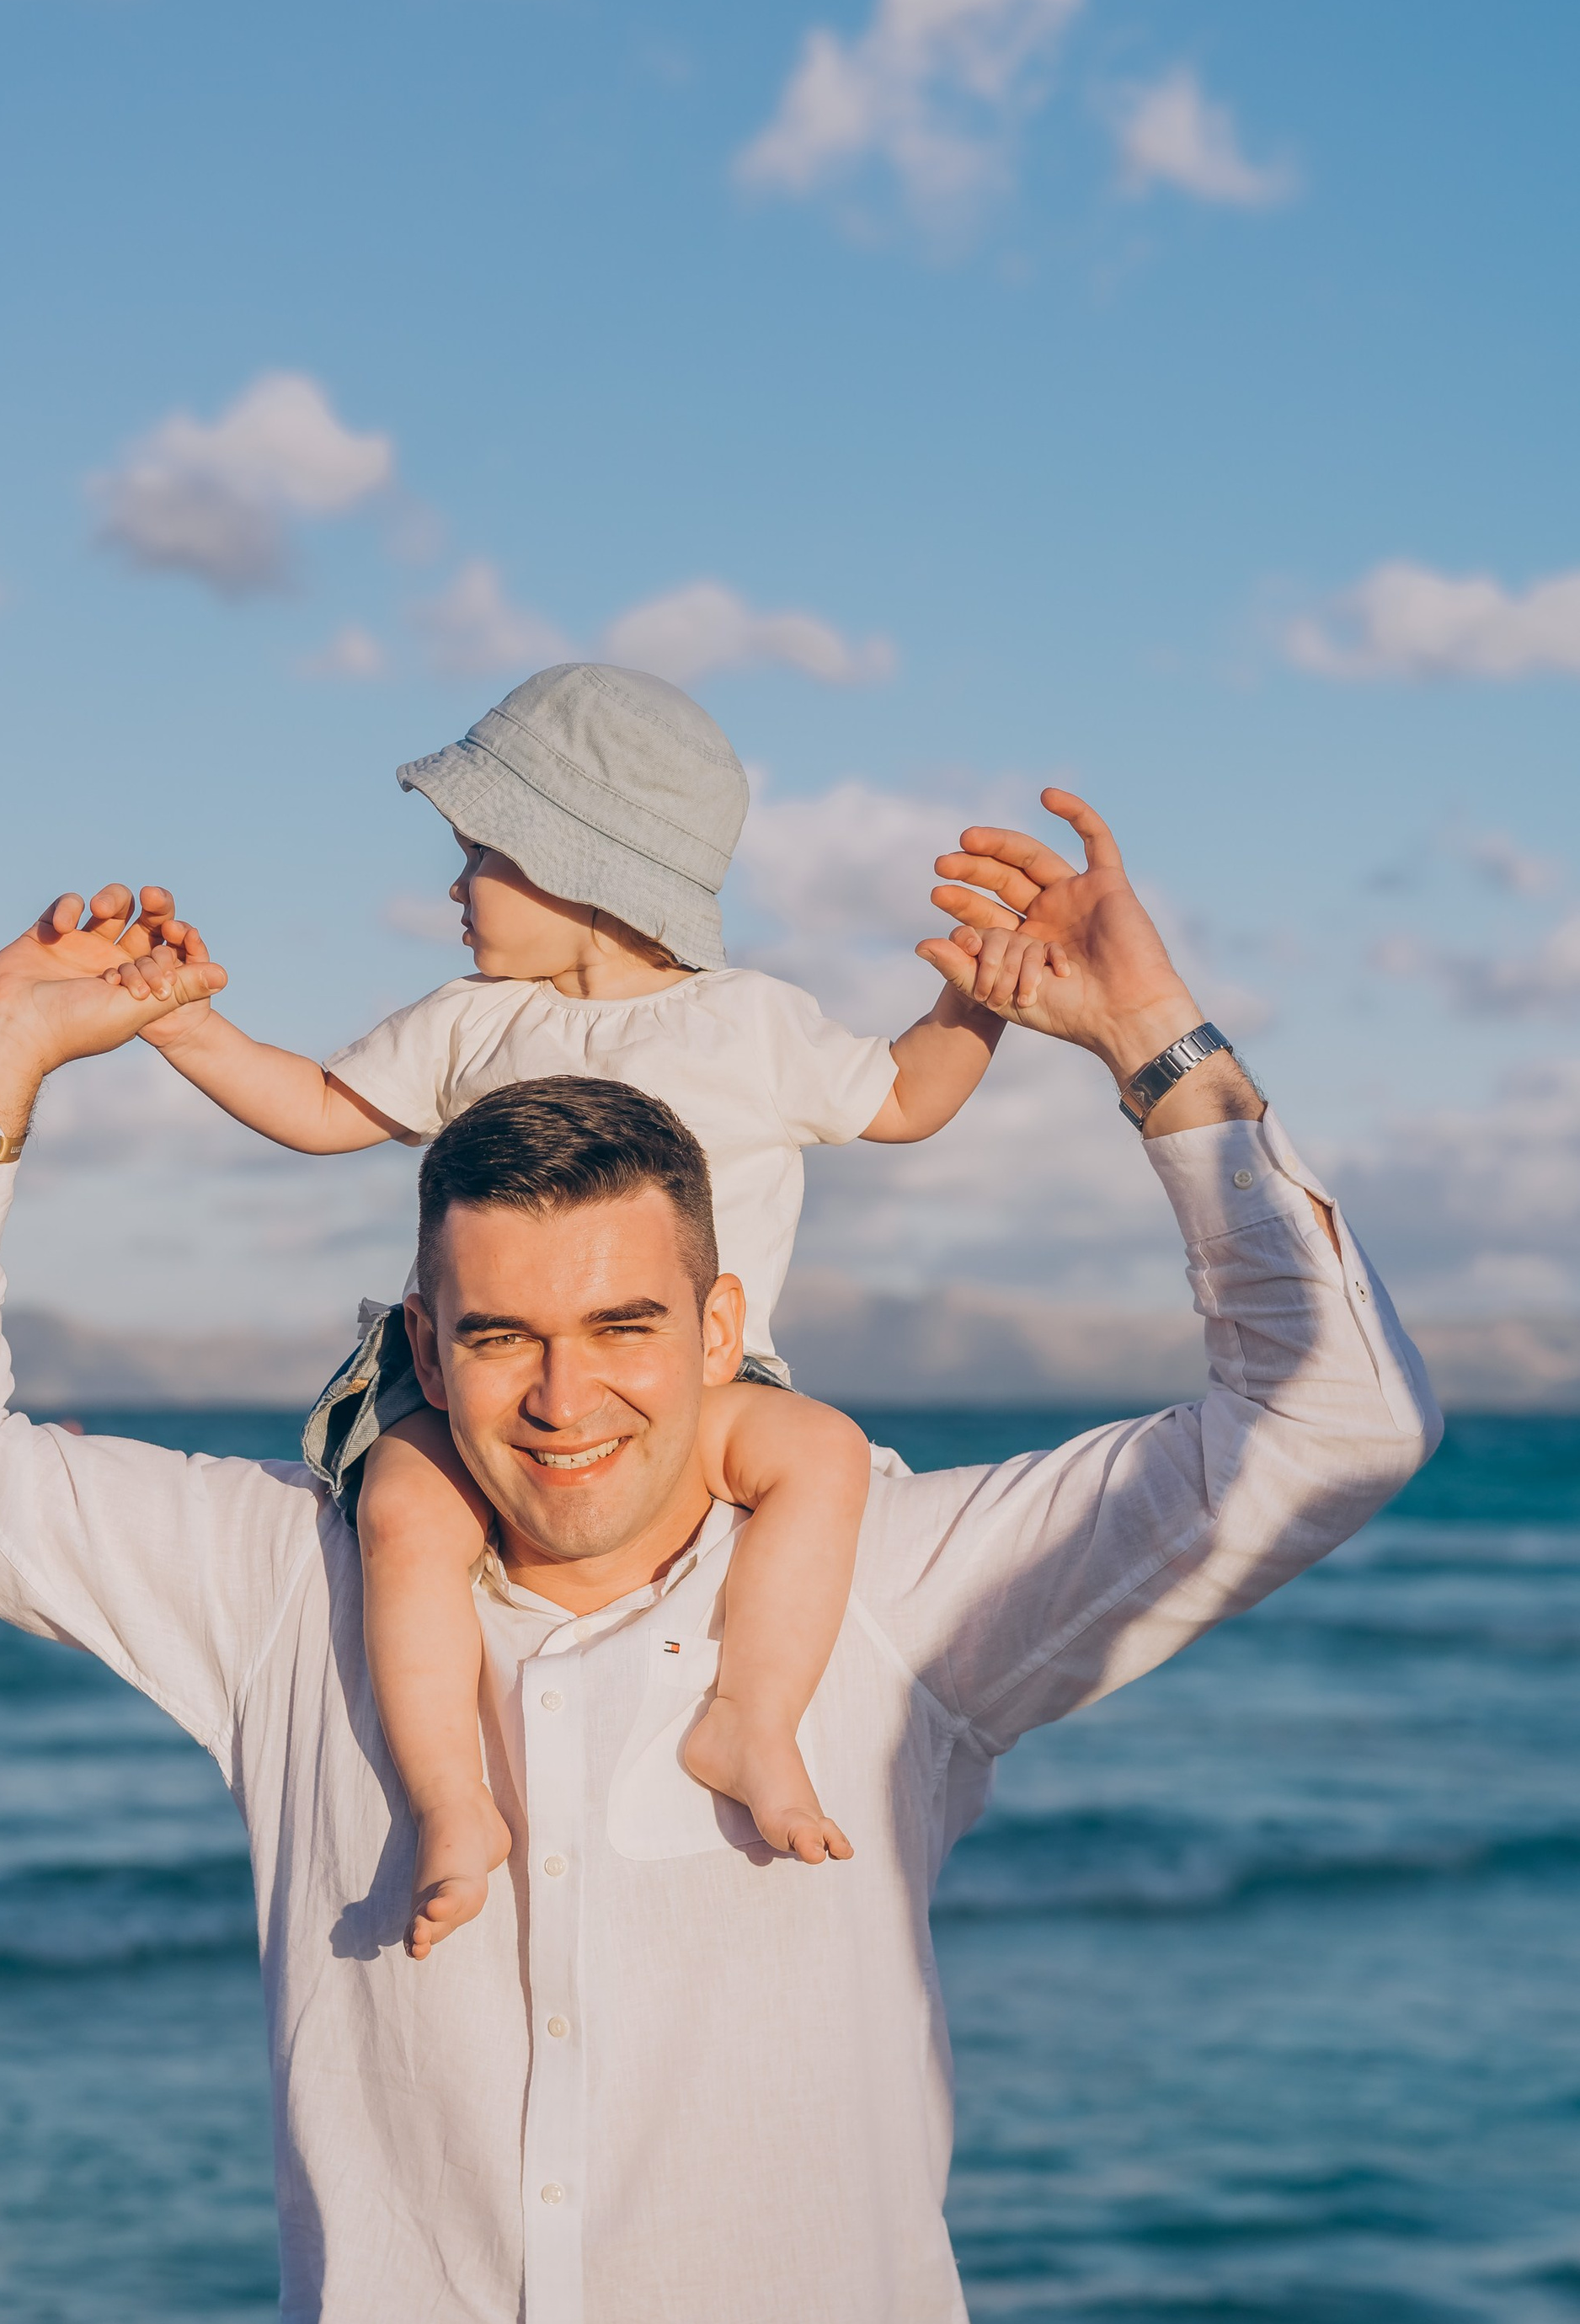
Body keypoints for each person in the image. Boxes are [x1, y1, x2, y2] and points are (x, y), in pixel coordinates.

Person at [0, 791, 1437, 2324]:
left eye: (617, 1332)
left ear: (718, 1323)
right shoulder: (280, 1591)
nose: (560, 1401)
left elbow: (1333, 1425)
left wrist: (1156, 1044)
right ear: (418, 1346)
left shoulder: (900, 1597)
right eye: (494, 1338)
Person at [115, 662, 1037, 1950]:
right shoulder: (469, 1025)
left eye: (480, 851)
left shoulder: (752, 1026)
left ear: (580, 866)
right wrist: (180, 1026)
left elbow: (904, 1099)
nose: (453, 887)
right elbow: (322, 1112)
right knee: (406, 1508)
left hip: (706, 1392)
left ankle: (750, 1720)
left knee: (820, 1457)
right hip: (477, 1386)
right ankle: (453, 1802)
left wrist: (975, 999)